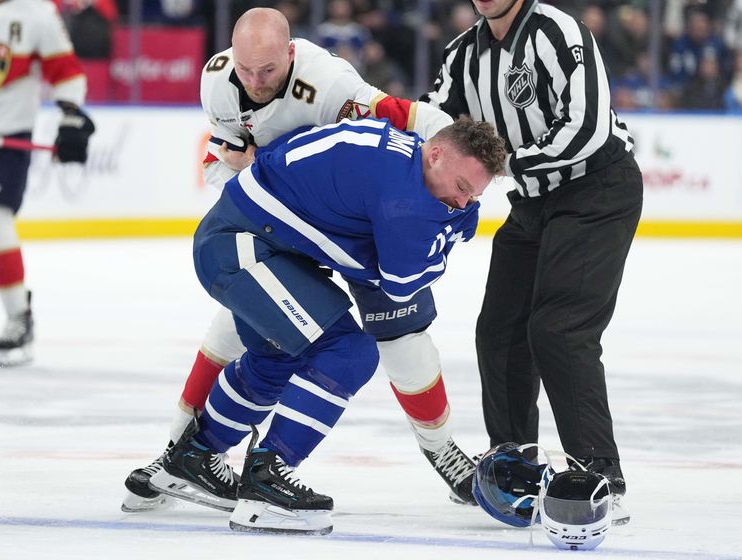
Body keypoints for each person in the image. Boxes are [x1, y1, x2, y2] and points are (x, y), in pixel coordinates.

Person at [121, 7, 478, 513]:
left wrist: (465, 168)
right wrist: (258, 186)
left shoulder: (330, 85)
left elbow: (411, 120)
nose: (256, 82)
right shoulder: (218, 82)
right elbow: (225, 162)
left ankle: (443, 452)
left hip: (357, 224)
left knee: (402, 336)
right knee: (242, 328)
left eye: (268, 71)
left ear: (291, 54)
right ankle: (181, 452)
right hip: (284, 223)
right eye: (247, 70)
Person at [148, 116, 507, 534]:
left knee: (276, 357)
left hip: (255, 242)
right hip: (241, 246)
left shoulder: (403, 157)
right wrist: (453, 230)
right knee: (349, 351)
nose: (463, 204)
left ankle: (192, 458)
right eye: (462, 189)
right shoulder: (400, 192)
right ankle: (268, 476)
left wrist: (449, 220)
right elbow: (400, 282)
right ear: (436, 153)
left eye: (473, 197)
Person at [420, 0, 644, 524]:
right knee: (500, 329)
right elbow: (430, 122)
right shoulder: (463, 54)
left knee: (559, 329)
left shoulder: (559, 31)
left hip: (598, 190)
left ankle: (598, 470)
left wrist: (497, 165)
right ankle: (515, 462)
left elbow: (587, 127)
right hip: (533, 202)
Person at [0, 0, 95, 367]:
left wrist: (70, 118)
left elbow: (66, 71)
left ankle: (19, 317)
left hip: (3, 138)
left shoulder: (35, 11)